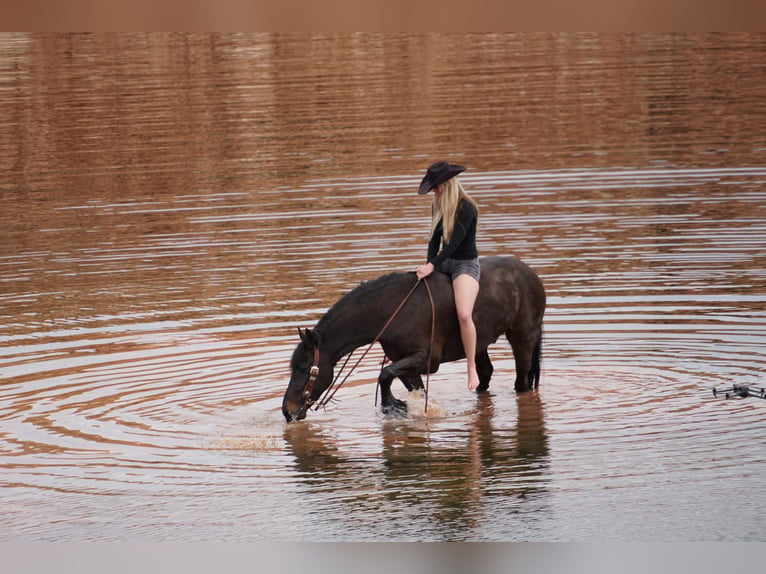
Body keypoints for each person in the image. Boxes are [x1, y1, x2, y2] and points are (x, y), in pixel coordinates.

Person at [415, 160, 481, 391]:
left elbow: (453, 246)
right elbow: (434, 241)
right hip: (443, 263)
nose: (434, 191)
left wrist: (433, 266)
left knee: (464, 314)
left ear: (447, 184)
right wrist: (427, 267)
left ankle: (471, 366)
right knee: (421, 302)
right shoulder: (438, 206)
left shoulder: (466, 208)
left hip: (464, 264)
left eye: (436, 187)